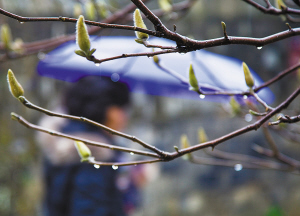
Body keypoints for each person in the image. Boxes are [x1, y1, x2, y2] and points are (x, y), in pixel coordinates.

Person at [36, 76, 132, 216]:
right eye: (122, 109)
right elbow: (90, 207)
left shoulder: (64, 139)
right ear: (109, 111)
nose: (125, 117)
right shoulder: (94, 152)